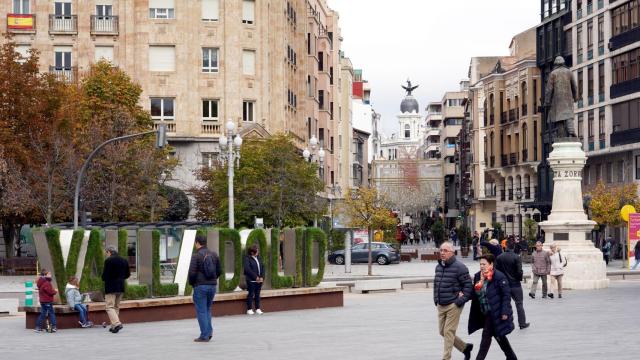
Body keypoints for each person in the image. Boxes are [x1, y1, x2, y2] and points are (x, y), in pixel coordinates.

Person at [468, 254, 518, 360]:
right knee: (499, 335)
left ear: (491, 264)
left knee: (485, 338)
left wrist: (505, 311)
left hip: (495, 312)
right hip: (484, 312)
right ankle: (512, 357)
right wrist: (463, 295)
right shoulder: (478, 276)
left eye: (484, 264)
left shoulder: (499, 276)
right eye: (480, 264)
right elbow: (475, 293)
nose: (482, 266)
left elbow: (506, 295)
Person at [433, 242, 474, 360]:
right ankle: (465, 348)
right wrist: (436, 299)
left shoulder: (460, 267)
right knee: (442, 331)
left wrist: (460, 301)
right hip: (441, 304)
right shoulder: (439, 266)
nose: (442, 253)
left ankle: (446, 358)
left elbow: (468, 287)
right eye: (441, 250)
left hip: (453, 305)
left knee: (448, 331)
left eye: (445, 251)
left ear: (452, 253)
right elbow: (436, 284)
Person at [188, 235, 222, 342]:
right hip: (212, 286)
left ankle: (204, 335)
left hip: (200, 286)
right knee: (207, 309)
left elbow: (192, 273)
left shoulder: (196, 256)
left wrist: (193, 283)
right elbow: (219, 271)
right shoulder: (214, 254)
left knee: (201, 311)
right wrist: (212, 280)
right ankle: (209, 331)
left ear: (197, 243)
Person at [495, 246, 529, 330]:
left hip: (504, 284)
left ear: (504, 248)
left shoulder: (499, 257)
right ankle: (522, 323)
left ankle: (503, 323)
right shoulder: (516, 257)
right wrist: (518, 279)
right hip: (515, 285)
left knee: (504, 304)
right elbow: (519, 271)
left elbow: (496, 271)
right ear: (513, 248)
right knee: (519, 304)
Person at [101, 245, 130, 334]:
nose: (106, 255)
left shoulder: (108, 261)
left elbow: (105, 275)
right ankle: (114, 326)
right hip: (120, 287)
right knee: (116, 307)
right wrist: (120, 278)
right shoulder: (124, 260)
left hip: (111, 287)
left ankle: (117, 323)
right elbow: (127, 274)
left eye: (106, 253)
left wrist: (104, 278)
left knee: (109, 306)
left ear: (108, 252)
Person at [244, 244, 265, 315]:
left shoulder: (259, 258)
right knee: (251, 293)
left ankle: (257, 308)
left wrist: (262, 276)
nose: (258, 252)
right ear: (252, 252)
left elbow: (262, 267)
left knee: (257, 294)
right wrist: (255, 277)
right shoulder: (247, 259)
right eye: (256, 251)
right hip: (251, 280)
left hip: (259, 280)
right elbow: (247, 269)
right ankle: (249, 309)